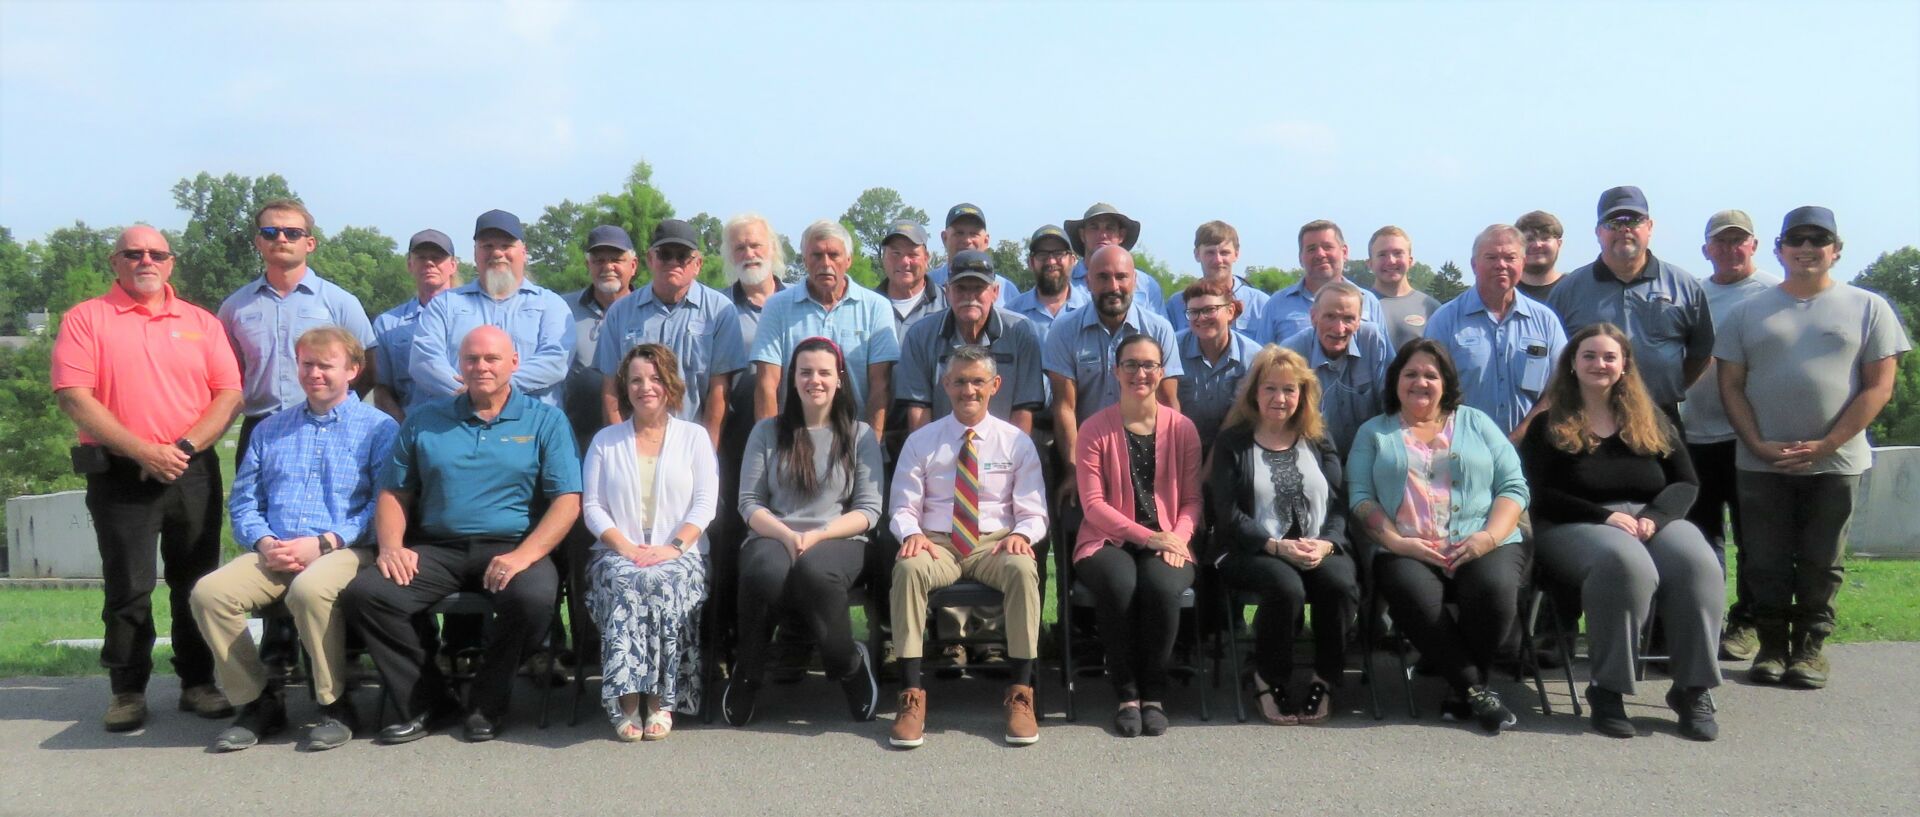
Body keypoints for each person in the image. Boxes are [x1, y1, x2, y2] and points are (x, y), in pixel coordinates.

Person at [341, 326, 582, 744]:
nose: (481, 367)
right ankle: (429, 701)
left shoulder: (545, 420)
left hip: (513, 547)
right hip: (438, 548)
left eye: (491, 358)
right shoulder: (425, 420)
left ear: (513, 363)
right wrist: (391, 546)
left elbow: (567, 500)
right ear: (459, 365)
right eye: (472, 359)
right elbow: (395, 492)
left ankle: (488, 700)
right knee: (368, 595)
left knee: (533, 599)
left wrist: (525, 556)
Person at [51, 226, 244, 731]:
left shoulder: (200, 322)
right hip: (120, 473)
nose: (146, 260)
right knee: (129, 587)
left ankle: (198, 682)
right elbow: (74, 395)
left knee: (196, 582)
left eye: (156, 253)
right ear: (115, 261)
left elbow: (228, 394)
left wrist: (179, 449)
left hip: (191, 469)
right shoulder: (86, 319)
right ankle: (128, 690)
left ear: (171, 262)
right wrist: (142, 450)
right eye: (134, 253)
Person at [1716, 206, 1909, 689]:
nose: (1807, 248)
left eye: (1818, 240)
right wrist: (1757, 443)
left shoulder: (1869, 307)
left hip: (1837, 462)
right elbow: (1731, 386)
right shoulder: (1747, 312)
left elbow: (1879, 387)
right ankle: (1772, 647)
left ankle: (1810, 649)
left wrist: (1828, 443)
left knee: (1823, 560)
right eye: (1796, 240)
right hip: (1762, 463)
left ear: (1836, 251)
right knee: (1764, 559)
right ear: (1780, 249)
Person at [189, 327, 397, 751]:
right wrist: (264, 542)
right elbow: (245, 501)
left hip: (346, 549)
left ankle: (334, 703)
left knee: (309, 590)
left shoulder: (380, 428)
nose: (314, 373)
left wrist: (323, 543)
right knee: (210, 593)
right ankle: (258, 701)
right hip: (277, 549)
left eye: (326, 365)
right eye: (307, 364)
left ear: (353, 370)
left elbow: (381, 507)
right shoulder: (270, 429)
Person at [1519, 323, 1723, 741]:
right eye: (1589, 356)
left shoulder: (1654, 418)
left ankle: (1692, 688)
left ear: (1625, 364)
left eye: (1609, 356)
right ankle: (1608, 689)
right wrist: (1603, 516)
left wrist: (1656, 517)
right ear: (1572, 365)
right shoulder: (1548, 424)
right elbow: (1541, 494)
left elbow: (1685, 482)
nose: (1599, 364)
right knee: (1624, 564)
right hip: (1574, 524)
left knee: (1697, 562)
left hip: (1651, 519)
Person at [1348, 339, 1529, 734]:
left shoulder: (1476, 422)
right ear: (1395, 380)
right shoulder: (1373, 432)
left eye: (1430, 374)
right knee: (1413, 597)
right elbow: (1360, 498)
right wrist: (1396, 542)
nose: (1420, 382)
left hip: (1485, 539)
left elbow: (1513, 486)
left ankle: (1459, 683)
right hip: (1406, 546)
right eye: (1410, 373)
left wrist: (1488, 537)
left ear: (1445, 381)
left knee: (1493, 592)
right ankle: (1475, 690)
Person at [886, 345, 1050, 748]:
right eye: (959, 381)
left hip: (994, 544)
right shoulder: (922, 441)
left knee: (1023, 569)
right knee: (907, 569)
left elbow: (1034, 512)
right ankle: (911, 696)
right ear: (946, 384)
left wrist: (1022, 535)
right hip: (937, 542)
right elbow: (902, 506)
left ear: (995, 385)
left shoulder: (1016, 442)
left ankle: (1020, 692)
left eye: (978, 381)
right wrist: (911, 535)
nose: (968, 390)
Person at [721, 337, 886, 727]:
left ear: (840, 379)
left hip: (839, 537)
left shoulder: (860, 435)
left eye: (825, 372)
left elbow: (869, 510)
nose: (815, 380)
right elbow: (749, 502)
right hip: (771, 533)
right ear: (791, 379)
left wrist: (817, 536)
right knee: (765, 571)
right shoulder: (767, 431)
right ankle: (748, 672)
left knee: (815, 571)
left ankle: (848, 664)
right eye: (806, 372)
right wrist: (783, 534)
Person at [1206, 346, 1358, 725]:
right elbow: (1226, 514)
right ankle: (1266, 677)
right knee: (1285, 585)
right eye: (1271, 388)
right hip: (1249, 549)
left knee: (1339, 582)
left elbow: (1340, 503)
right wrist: (1274, 544)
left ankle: (1325, 677)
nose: (1280, 398)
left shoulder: (1319, 439)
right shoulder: (1232, 443)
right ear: (1254, 392)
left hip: (1316, 546)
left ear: (1303, 394)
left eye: (1290, 390)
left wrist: (1327, 543)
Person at [581, 344, 719, 741]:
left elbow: (705, 503)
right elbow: (592, 506)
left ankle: (659, 700)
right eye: (637, 380)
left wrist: (672, 548)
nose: (646, 388)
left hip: (680, 553)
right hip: (617, 552)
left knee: (659, 582)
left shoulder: (693, 438)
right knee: (628, 581)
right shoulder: (606, 441)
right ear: (625, 387)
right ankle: (626, 699)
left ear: (670, 384)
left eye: (655, 379)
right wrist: (624, 547)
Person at [1072, 334, 1203, 737]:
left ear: (1162, 372)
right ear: (1116, 371)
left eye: (1148, 365)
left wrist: (1176, 537)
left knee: (1163, 587)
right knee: (1120, 583)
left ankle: (1155, 693)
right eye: (1130, 364)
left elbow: (1193, 499)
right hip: (1104, 538)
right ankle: (1126, 693)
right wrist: (1148, 539)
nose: (1139, 373)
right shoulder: (1093, 429)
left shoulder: (1183, 429)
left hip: (1170, 538)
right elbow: (1092, 505)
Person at [1681, 210, 1780, 661]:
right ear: (1706, 250)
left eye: (1738, 241)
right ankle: (1707, 621)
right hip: (1694, 436)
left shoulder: (1773, 294)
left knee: (1754, 540)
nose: (1729, 249)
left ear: (1754, 246)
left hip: (1749, 437)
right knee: (1702, 539)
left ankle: (1748, 622)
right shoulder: (1694, 294)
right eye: (1720, 242)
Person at [217, 198, 377, 463]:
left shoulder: (339, 302)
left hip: (326, 425)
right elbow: (226, 375)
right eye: (270, 232)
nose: (281, 239)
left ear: (309, 243)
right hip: (259, 427)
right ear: (258, 242)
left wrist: (334, 406)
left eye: (292, 233)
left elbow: (369, 366)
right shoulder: (235, 308)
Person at [1549, 186, 1714, 422]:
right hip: (1584, 417)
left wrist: (1666, 388)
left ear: (1650, 227)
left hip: (1659, 415)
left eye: (1634, 220)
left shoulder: (1684, 286)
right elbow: (1554, 358)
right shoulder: (1568, 290)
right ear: (1598, 232)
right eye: (1614, 222)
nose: (1625, 229)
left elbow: (1701, 353)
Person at [1043, 245, 1184, 496]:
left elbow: (1168, 402)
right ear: (1087, 281)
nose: (1113, 287)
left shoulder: (1159, 330)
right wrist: (1075, 471)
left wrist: (1167, 470)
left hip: (1146, 455)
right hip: (1088, 456)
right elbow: (1065, 407)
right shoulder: (1063, 331)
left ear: (1135, 280)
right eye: (1103, 277)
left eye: (1121, 277)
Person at [595, 219, 747, 448]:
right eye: (665, 254)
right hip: (633, 442)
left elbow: (719, 392)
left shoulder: (720, 311)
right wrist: (620, 448)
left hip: (692, 442)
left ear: (698, 264)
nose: (673, 262)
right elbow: (611, 389)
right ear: (650, 259)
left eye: (683, 255)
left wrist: (706, 452)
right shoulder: (620, 313)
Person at [408, 209, 574, 409]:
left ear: (524, 252)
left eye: (506, 245)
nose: (497, 253)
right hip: (456, 424)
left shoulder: (551, 305)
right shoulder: (444, 305)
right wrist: (467, 394)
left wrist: (498, 388)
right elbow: (424, 361)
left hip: (530, 427)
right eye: (487, 246)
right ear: (475, 253)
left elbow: (555, 360)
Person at [750, 220, 901, 437]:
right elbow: (766, 383)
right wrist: (770, 447)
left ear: (849, 260)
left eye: (834, 255)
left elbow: (880, 386)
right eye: (817, 255)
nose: (826, 263)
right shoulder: (776, 307)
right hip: (792, 439)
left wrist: (871, 447)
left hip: (853, 441)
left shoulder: (876, 307)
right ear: (804, 260)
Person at [1424, 224, 1569, 437]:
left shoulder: (1545, 321)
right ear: (1474, 265)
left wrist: (1521, 435)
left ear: (1523, 263)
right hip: (1461, 446)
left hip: (1530, 448)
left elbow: (1560, 386)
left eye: (1510, 258)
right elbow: (1429, 388)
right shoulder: (1445, 320)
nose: (1501, 265)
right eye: (1491, 257)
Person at [895, 249, 1046, 432]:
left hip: (1002, 451)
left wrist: (1012, 458)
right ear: (948, 291)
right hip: (941, 447)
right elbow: (919, 410)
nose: (969, 296)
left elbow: (1023, 408)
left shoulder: (1020, 332)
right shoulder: (920, 335)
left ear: (995, 292)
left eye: (978, 288)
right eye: (961, 288)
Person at [1280, 281, 1394, 458]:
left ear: (1358, 322)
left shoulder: (1373, 341)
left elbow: (1392, 405)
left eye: (1348, 318)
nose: (1339, 328)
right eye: (1330, 317)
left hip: (1371, 452)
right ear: (1313, 317)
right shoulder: (1293, 352)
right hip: (1311, 454)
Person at [371, 230, 462, 418]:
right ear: (410, 265)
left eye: (437, 257)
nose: (429, 263)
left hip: (466, 427)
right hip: (412, 427)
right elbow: (381, 388)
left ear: (453, 265)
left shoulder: (475, 316)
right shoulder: (387, 324)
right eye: (421, 257)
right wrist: (403, 427)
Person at [1258, 220, 1384, 343]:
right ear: (1300, 258)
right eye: (1311, 249)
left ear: (1344, 252)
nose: (1320, 254)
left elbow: (1384, 358)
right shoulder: (1276, 304)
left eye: (1327, 247)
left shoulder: (1368, 301)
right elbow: (1263, 360)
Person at [1171, 277, 1261, 445]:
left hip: (1235, 447)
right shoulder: (1172, 349)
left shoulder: (1254, 357)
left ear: (1230, 311)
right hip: (1180, 444)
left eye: (1210, 310)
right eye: (1193, 312)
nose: (1201, 318)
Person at [1165, 220, 1266, 334]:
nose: (1218, 260)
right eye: (1210, 252)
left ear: (1236, 254)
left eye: (1224, 253)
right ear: (1197, 254)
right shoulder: (1176, 304)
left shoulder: (1261, 304)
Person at [1065, 202, 1163, 307]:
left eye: (1109, 228)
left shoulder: (1147, 286)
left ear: (1121, 235)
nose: (1102, 235)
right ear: (1082, 235)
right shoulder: (1064, 282)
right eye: (1094, 228)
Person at [1003, 224, 1089, 334]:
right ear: (1030, 263)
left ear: (1072, 260)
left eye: (1059, 253)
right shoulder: (1012, 313)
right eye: (1042, 254)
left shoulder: (1091, 309)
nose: (1051, 261)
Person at [925, 203, 1020, 301]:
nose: (967, 240)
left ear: (986, 241)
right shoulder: (927, 284)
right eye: (959, 233)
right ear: (945, 238)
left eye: (974, 234)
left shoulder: (1007, 291)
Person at [1366, 226, 1440, 350]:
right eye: (1382, 254)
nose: (1391, 261)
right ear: (1370, 263)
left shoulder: (1431, 308)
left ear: (1410, 261)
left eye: (1398, 253)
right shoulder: (1358, 305)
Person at [874, 218, 944, 341]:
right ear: (883, 257)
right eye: (896, 253)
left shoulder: (947, 303)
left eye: (912, 254)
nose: (904, 262)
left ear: (926, 258)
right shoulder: (868, 305)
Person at [1515, 211, 1566, 303]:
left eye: (1545, 238)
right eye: (1529, 239)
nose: (1537, 245)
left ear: (1559, 244)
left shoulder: (1574, 288)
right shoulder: (1505, 291)